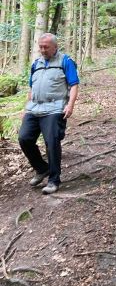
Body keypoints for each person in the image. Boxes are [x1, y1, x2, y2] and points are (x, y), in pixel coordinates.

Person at [18, 33, 79, 195]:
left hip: (54, 108)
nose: (43, 50)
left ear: (55, 47)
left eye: (46, 47)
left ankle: (54, 180)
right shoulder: (36, 63)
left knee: (52, 142)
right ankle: (41, 168)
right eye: (41, 47)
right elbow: (32, 88)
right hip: (34, 108)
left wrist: (70, 105)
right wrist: (26, 109)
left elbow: (74, 85)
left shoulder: (65, 61)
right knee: (24, 138)